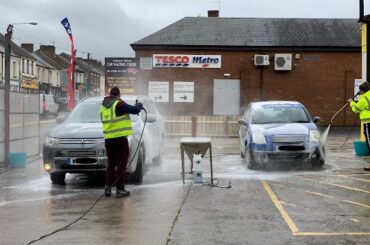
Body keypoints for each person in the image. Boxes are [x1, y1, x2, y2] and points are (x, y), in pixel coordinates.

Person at [100, 87, 143, 198]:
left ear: (110, 95)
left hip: (108, 139)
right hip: (120, 139)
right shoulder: (118, 104)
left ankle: (107, 188)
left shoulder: (103, 106)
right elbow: (134, 110)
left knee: (111, 163)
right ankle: (120, 189)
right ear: (118, 95)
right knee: (121, 164)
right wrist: (139, 105)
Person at [348, 81, 370, 171]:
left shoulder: (364, 98)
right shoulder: (367, 96)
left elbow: (356, 109)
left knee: (369, 143)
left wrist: (351, 102)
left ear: (361, 91)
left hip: (368, 123)